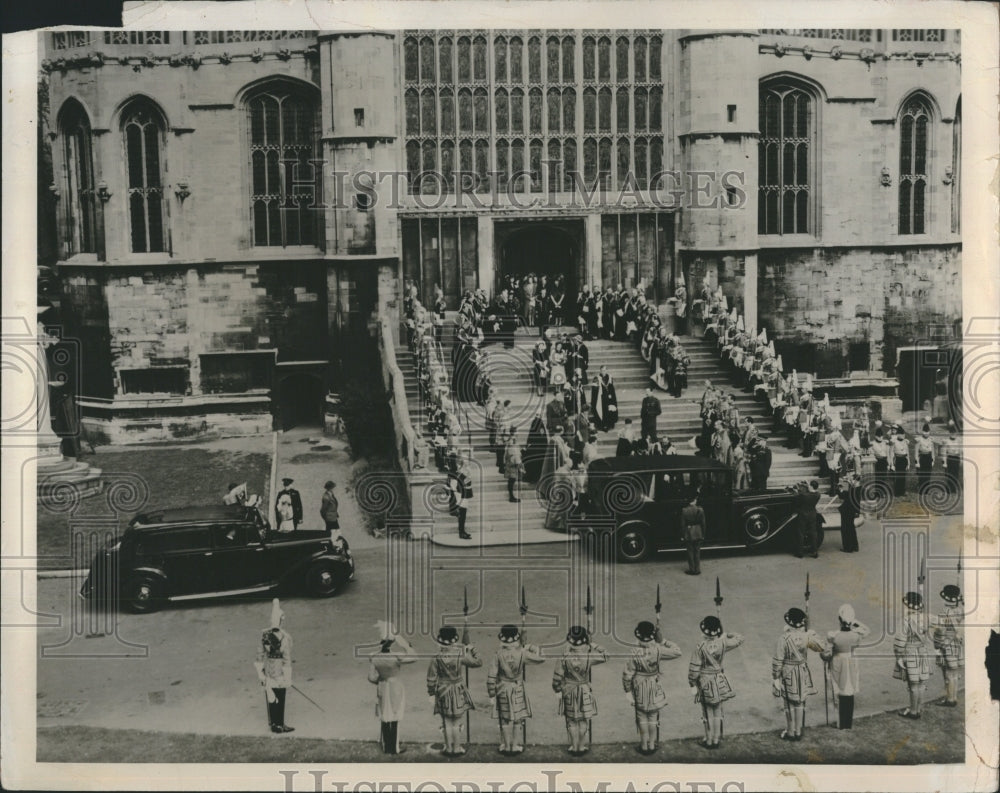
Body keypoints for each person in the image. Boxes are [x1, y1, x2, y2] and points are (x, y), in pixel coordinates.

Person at [622, 620, 682, 755]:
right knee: (653, 716)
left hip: (639, 686)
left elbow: (627, 673)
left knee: (641, 716)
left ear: (637, 635)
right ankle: (652, 744)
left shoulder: (634, 652)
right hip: (654, 684)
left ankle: (643, 745)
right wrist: (663, 640)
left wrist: (627, 690)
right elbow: (677, 651)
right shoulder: (658, 650)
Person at [487, 624, 545, 755]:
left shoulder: (498, 654)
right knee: (518, 718)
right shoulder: (522, 653)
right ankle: (515, 746)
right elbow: (541, 657)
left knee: (505, 718)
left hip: (502, 688)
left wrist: (491, 693)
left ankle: (506, 746)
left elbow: (491, 676)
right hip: (518, 687)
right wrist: (531, 647)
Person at [688, 615, 744, 750]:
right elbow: (740, 638)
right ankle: (716, 738)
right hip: (719, 679)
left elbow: (694, 669)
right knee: (718, 709)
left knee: (707, 711)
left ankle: (709, 739)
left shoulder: (700, 646)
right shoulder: (723, 643)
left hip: (705, 680)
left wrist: (692, 683)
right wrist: (726, 634)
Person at [771, 606, 826, 741]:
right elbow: (821, 646)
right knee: (800, 701)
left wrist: (775, 677)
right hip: (802, 672)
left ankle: (790, 731)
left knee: (788, 702)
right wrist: (812, 633)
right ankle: (798, 730)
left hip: (788, 672)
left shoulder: (783, 638)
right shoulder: (806, 636)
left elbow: (778, 660)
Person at [552, 625, 608, 756]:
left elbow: (557, 676)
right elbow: (606, 655)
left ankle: (574, 746)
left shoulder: (564, 655)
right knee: (583, 720)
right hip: (584, 690)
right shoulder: (589, 656)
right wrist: (592, 644)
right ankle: (582, 747)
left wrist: (557, 689)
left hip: (569, 690)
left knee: (571, 720)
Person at [427, 625, 482, 757]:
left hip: (442, 690)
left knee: (446, 721)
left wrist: (431, 693)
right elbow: (478, 662)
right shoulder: (460, 655)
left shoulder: (436, 657)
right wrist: (471, 648)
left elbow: (431, 678)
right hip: (457, 689)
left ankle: (448, 747)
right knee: (456, 721)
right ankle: (457, 747)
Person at [368, 623, 417, 754]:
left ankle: (386, 745)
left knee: (384, 716)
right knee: (395, 716)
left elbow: (371, 677)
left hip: (382, 686)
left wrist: (381, 679)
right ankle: (394, 747)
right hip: (395, 686)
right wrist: (406, 645)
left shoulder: (374, 657)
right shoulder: (396, 656)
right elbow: (414, 657)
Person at [820, 604, 870, 729]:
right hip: (852, 662)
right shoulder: (856, 635)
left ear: (839, 619)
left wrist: (824, 655)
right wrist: (854, 621)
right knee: (849, 692)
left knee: (839, 692)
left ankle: (841, 723)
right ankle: (848, 722)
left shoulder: (833, 635)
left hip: (838, 663)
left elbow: (826, 654)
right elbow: (867, 630)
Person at [254, 598, 294, 733]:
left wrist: (260, 674)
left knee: (271, 697)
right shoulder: (284, 638)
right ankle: (280, 724)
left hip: (268, 672)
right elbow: (286, 660)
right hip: (280, 672)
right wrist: (288, 678)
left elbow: (259, 656)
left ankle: (274, 723)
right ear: (281, 621)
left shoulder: (264, 636)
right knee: (280, 698)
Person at [893, 591, 934, 719]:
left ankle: (913, 711)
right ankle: (918, 708)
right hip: (923, 652)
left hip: (910, 653)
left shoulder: (905, 620)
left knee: (913, 685)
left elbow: (900, 641)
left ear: (907, 605)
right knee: (921, 683)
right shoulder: (926, 618)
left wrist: (899, 656)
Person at [930, 585, 964, 708]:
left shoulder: (944, 613)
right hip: (957, 645)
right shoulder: (960, 611)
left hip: (947, 645)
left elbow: (940, 631)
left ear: (945, 599)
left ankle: (949, 699)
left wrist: (937, 646)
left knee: (948, 674)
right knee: (954, 674)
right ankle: (953, 697)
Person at [538, 425, 570, 501]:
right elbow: (560, 453)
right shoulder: (556, 440)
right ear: (560, 431)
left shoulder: (555, 439)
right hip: (555, 463)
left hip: (553, 461)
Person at [792, 480, 821, 558]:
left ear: (811, 486)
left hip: (803, 514)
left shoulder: (804, 495)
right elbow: (810, 492)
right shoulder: (818, 495)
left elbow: (797, 496)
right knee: (813, 533)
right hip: (812, 514)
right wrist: (807, 485)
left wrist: (797, 489)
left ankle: (800, 552)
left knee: (801, 533)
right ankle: (814, 551)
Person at [447, 454, 473, 540]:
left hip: (464, 493)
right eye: (464, 464)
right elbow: (453, 486)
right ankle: (461, 532)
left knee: (463, 513)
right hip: (460, 494)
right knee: (462, 513)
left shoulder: (461, 472)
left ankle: (462, 531)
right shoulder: (457, 474)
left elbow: (468, 481)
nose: (466, 465)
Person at [681, 494, 706, 575]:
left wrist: (683, 535)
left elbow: (682, 524)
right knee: (697, 551)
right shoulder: (700, 510)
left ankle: (692, 569)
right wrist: (703, 534)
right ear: (694, 500)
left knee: (690, 551)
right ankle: (697, 569)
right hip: (698, 532)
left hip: (689, 532)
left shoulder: (684, 510)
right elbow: (703, 524)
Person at [837, 474, 862, 553]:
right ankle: (854, 546)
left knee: (845, 529)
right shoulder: (858, 488)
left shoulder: (852, 489)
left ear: (855, 480)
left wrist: (840, 489)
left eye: (851, 479)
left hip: (847, 511)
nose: (850, 480)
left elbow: (843, 496)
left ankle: (848, 548)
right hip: (852, 510)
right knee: (851, 528)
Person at [590, 366, 619, 433]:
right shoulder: (596, 378)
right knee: (603, 411)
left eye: (605, 370)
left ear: (606, 370)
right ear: (600, 371)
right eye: (602, 370)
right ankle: (603, 425)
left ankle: (610, 424)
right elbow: (594, 390)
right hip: (601, 398)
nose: (603, 372)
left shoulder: (610, 377)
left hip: (609, 397)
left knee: (611, 408)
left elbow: (611, 387)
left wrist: (611, 395)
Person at [522, 412, 548, 484]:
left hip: (533, 447)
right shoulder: (540, 423)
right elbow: (543, 437)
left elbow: (530, 435)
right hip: (540, 449)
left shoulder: (534, 423)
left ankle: (532, 478)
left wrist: (528, 444)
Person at [504, 427, 525, 503]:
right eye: (517, 431)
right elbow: (514, 452)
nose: (518, 433)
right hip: (513, 462)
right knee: (512, 479)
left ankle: (511, 496)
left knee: (511, 479)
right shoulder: (513, 440)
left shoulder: (511, 439)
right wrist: (518, 463)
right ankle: (511, 497)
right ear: (514, 432)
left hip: (511, 461)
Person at [890, 426, 911, 497]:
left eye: (903, 434)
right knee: (898, 476)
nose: (902, 435)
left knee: (903, 476)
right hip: (898, 459)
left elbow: (907, 452)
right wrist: (892, 464)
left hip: (904, 459)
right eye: (901, 434)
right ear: (898, 434)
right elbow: (891, 453)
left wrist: (908, 463)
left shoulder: (905, 442)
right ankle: (897, 492)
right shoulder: (894, 442)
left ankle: (903, 491)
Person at [942, 422, 962, 493]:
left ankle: (954, 489)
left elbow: (960, 451)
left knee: (956, 474)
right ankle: (949, 488)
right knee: (949, 474)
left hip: (956, 459)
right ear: (950, 433)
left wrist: (961, 459)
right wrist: (944, 462)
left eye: (955, 433)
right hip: (950, 458)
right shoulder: (946, 441)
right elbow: (944, 452)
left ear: (956, 434)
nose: (953, 435)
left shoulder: (959, 441)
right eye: (952, 433)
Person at [915, 425, 935, 495]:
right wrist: (917, 461)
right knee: (922, 474)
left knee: (928, 474)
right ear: (922, 432)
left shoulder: (931, 440)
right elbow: (916, 451)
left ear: (929, 432)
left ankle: (926, 490)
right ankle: (921, 490)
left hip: (929, 457)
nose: (926, 433)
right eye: (924, 432)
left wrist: (933, 460)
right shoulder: (919, 439)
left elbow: (932, 451)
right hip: (922, 457)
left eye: (927, 432)